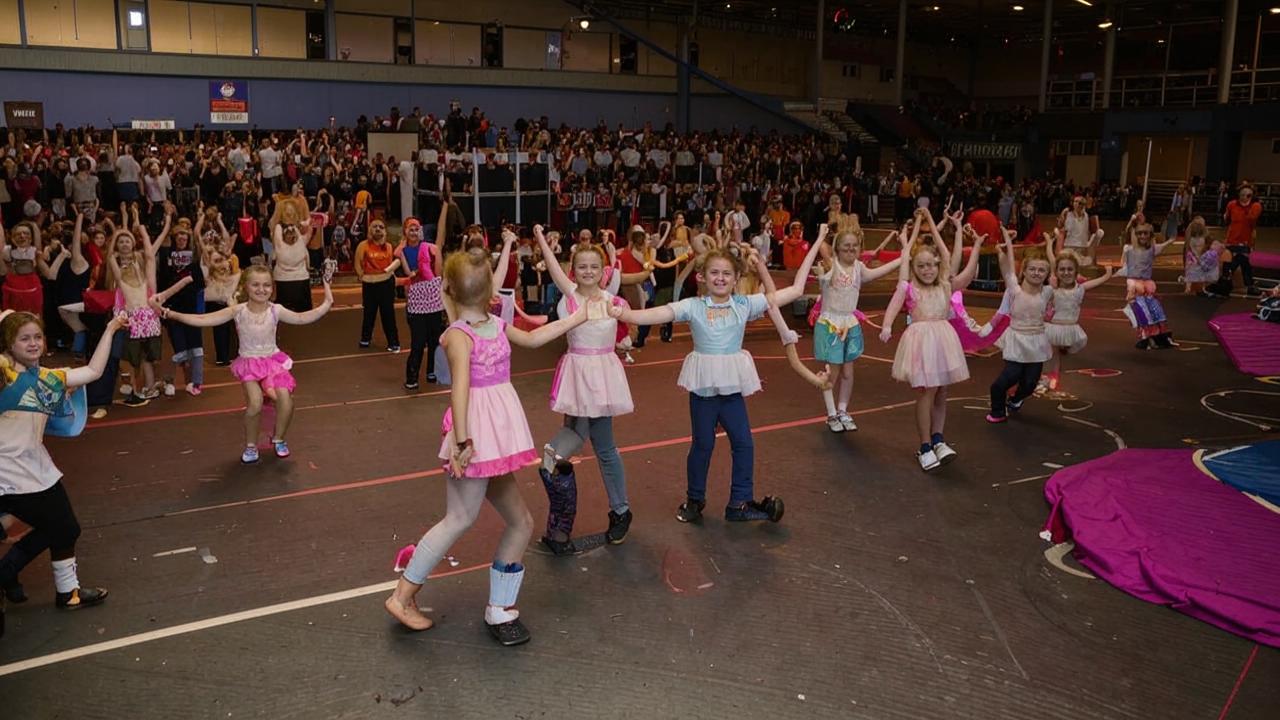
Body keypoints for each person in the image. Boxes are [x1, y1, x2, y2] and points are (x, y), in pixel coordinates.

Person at [383, 248, 592, 646]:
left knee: (521, 522)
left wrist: (579, 316)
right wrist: (462, 442)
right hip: (477, 436)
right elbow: (459, 389)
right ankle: (402, 595)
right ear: (492, 288)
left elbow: (533, 337)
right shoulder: (459, 336)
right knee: (459, 518)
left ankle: (500, 608)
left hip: (493, 439)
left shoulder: (495, 325)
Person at [613, 236, 824, 523]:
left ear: (737, 278)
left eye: (727, 273)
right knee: (703, 444)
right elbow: (650, 315)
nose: (720, 278)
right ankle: (694, 499)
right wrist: (622, 312)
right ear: (702, 276)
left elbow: (797, 289)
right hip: (704, 387)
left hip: (731, 387)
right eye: (714, 272)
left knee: (744, 443)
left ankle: (739, 502)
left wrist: (819, 239)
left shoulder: (744, 304)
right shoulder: (693, 305)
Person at [0, 309, 129, 638]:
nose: (33, 343)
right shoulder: (4, 375)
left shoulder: (49, 377)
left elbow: (94, 370)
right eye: (24, 338)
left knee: (62, 528)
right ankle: (43, 584)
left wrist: (112, 327)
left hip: (35, 466)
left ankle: (58, 589)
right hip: (7, 471)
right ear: (8, 344)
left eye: (37, 337)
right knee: (63, 527)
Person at [152, 265, 333, 463]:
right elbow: (204, 319)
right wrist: (170, 314)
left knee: (286, 400)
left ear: (272, 288)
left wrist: (327, 302)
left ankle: (279, 438)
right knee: (254, 403)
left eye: (266, 285)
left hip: (273, 361)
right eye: (255, 284)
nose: (261, 289)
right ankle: (251, 445)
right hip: (249, 363)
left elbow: (302, 317)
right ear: (246, 287)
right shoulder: (239, 311)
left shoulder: (276, 310)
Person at [532, 225, 634, 554]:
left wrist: (624, 337)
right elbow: (552, 266)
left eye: (594, 267)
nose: (587, 272)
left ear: (603, 271)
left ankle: (619, 509)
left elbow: (632, 318)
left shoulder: (612, 299)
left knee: (602, 446)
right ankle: (614, 509)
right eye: (581, 267)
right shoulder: (571, 296)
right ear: (573, 270)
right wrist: (541, 241)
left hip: (602, 377)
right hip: (578, 375)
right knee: (583, 433)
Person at [878, 209, 975, 471]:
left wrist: (939, 224)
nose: (927, 269)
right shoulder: (908, 286)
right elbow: (893, 304)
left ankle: (938, 439)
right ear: (913, 267)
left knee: (942, 391)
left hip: (943, 340)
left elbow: (947, 255)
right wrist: (887, 325)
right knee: (927, 392)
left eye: (931, 265)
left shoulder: (944, 283)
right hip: (922, 342)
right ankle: (924, 446)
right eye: (920, 265)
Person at [813, 228, 902, 433]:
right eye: (846, 246)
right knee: (832, 372)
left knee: (848, 371)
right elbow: (823, 260)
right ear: (837, 249)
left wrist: (901, 259)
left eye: (855, 245)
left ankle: (843, 410)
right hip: (832, 324)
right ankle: (831, 413)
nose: (851, 248)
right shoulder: (830, 266)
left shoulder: (859, 268)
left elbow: (879, 272)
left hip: (849, 323)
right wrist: (821, 240)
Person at [985, 241, 1053, 423]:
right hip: (1017, 339)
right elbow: (1006, 270)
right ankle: (997, 410)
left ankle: (1015, 400)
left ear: (1047, 274)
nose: (1036, 273)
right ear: (1024, 270)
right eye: (1032, 269)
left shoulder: (1047, 292)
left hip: (1036, 341)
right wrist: (1002, 249)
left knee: (1030, 382)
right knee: (1009, 377)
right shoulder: (1014, 290)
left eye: (1041, 270)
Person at [1040, 238, 1114, 392]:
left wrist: (1107, 274)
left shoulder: (1079, 289)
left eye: (1070, 269)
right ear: (1056, 271)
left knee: (1057, 353)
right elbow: (1052, 259)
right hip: (1052, 327)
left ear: (1076, 271)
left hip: (1069, 327)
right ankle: (1048, 377)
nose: (1066, 273)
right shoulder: (1053, 288)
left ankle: (1051, 376)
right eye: (1062, 269)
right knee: (1050, 354)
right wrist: (1049, 243)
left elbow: (1097, 282)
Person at [400, 217, 444, 388]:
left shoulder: (431, 248)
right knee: (418, 343)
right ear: (405, 231)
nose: (414, 232)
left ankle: (431, 370)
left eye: (417, 228)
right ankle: (412, 377)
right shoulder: (402, 251)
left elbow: (438, 272)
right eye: (410, 229)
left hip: (433, 299)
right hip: (417, 302)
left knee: (434, 340)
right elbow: (408, 273)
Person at [1119, 223, 1176, 350]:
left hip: (1147, 286)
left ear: (1150, 235)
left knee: (1156, 310)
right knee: (1142, 313)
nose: (1143, 236)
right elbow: (1127, 235)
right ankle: (1145, 338)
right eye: (1140, 233)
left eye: (1145, 233)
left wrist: (1171, 240)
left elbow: (1164, 244)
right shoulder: (1129, 249)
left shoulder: (1152, 249)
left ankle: (1157, 337)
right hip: (1135, 286)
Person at [354, 219, 402, 351]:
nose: (378, 229)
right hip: (369, 285)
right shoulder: (363, 245)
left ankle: (393, 342)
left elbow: (392, 264)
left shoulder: (389, 247)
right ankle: (365, 339)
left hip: (386, 284)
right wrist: (361, 275)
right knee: (369, 314)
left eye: (381, 227)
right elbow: (357, 262)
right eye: (375, 227)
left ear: (385, 231)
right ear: (370, 229)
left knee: (388, 315)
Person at [1222, 184, 1262, 296]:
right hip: (1231, 238)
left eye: (1248, 195)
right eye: (1242, 194)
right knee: (1228, 260)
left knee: (1242, 259)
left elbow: (1252, 218)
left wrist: (1248, 205)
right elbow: (1227, 219)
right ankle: (1227, 280)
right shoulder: (1232, 204)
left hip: (1245, 240)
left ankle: (1229, 280)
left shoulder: (1256, 206)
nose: (1244, 197)